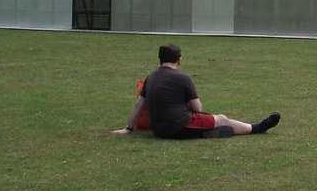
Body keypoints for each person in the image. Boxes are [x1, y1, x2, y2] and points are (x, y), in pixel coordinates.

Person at [112, 44, 280, 139]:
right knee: (222, 119)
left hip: (160, 130)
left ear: (160, 60)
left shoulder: (150, 77)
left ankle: (214, 133)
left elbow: (138, 105)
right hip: (179, 125)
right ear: (179, 60)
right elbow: (197, 109)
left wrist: (128, 128)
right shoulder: (183, 78)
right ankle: (257, 127)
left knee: (211, 125)